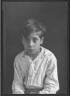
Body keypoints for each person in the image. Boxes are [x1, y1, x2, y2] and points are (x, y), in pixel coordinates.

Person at [12, 18, 59, 94]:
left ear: (41, 40)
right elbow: (17, 84)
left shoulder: (49, 57)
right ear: (22, 40)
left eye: (34, 40)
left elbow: (52, 85)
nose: (30, 44)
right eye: (26, 40)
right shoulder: (19, 59)